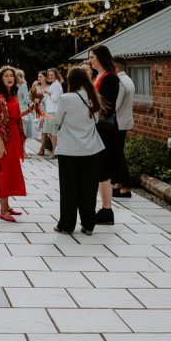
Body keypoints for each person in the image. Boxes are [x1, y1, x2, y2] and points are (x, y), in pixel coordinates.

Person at [54, 66, 105, 234]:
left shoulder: (66, 98)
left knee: (69, 188)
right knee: (89, 188)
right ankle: (88, 224)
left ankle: (66, 225)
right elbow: (96, 121)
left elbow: (57, 119)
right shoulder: (93, 97)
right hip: (91, 149)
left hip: (69, 150)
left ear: (71, 81)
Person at [0, 66, 34, 222]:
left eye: (11, 76)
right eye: (6, 76)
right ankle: (3, 209)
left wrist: (28, 111)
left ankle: (7, 206)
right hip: (4, 138)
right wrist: (1, 145)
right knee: (5, 173)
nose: (9, 78)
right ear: (1, 79)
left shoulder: (12, 95)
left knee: (12, 171)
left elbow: (13, 116)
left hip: (14, 136)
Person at [89, 45, 121, 225]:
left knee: (104, 169)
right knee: (100, 169)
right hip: (98, 128)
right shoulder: (97, 77)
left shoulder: (110, 79)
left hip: (105, 130)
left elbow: (107, 108)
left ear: (101, 58)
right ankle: (104, 208)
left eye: (92, 57)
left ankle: (107, 210)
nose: (90, 60)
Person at [114, 56, 136, 199]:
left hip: (119, 122)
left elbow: (116, 105)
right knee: (117, 154)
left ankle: (126, 187)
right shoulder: (128, 79)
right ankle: (119, 184)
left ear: (115, 66)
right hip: (124, 121)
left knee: (118, 154)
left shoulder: (120, 81)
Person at [41, 68, 64, 156]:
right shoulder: (53, 84)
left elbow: (55, 98)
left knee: (53, 133)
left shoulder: (57, 85)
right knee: (50, 133)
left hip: (54, 111)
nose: (50, 76)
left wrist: (48, 92)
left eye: (52, 75)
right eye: (49, 75)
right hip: (49, 111)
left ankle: (55, 151)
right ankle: (55, 150)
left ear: (56, 75)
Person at [16, 69, 34, 142]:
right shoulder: (23, 86)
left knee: (17, 129)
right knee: (23, 129)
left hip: (15, 107)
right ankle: (23, 150)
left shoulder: (14, 85)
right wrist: (33, 101)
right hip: (23, 108)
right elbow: (26, 100)